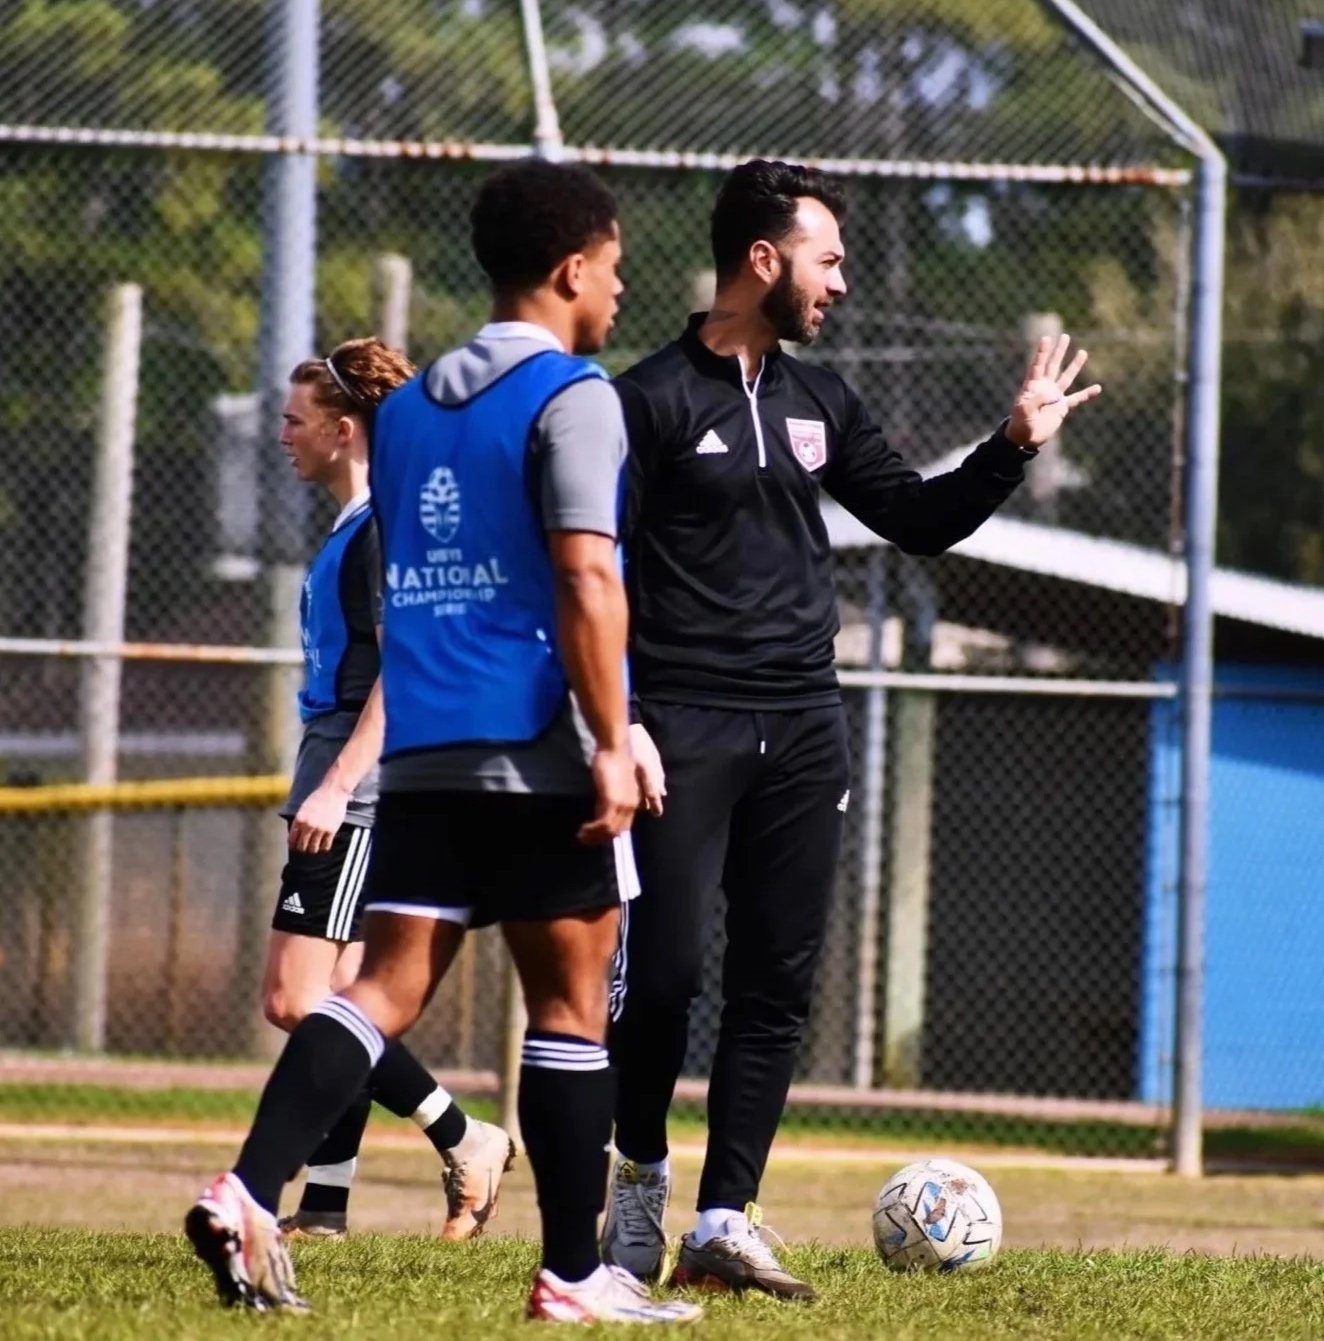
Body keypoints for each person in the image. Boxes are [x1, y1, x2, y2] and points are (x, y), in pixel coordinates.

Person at [184, 158, 702, 1325]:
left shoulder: (409, 412)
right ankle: (573, 1278)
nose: (620, 292)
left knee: (377, 989)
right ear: (572, 269)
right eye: (615, 270)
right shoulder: (576, 397)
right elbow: (583, 573)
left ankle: (250, 1191)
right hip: (538, 748)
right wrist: (617, 737)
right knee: (571, 1009)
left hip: (421, 753)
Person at [601, 158, 1102, 1301]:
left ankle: (724, 1218)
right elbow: (597, 575)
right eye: (826, 257)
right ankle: (636, 1187)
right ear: (762, 260)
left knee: (776, 981)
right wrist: (619, 718)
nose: (841, 280)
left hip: (805, 724)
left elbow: (920, 522)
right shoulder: (645, 403)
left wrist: (1012, 445)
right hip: (678, 724)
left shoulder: (821, 401)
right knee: (668, 977)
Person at [262, 338, 513, 1243]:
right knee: (343, 992)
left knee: (299, 999)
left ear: (342, 428)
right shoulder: (353, 523)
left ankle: (466, 1134)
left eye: (294, 420)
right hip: (334, 761)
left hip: (355, 779)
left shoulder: (381, 527)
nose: (281, 435)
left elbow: (402, 668)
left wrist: (336, 785)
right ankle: (326, 1207)